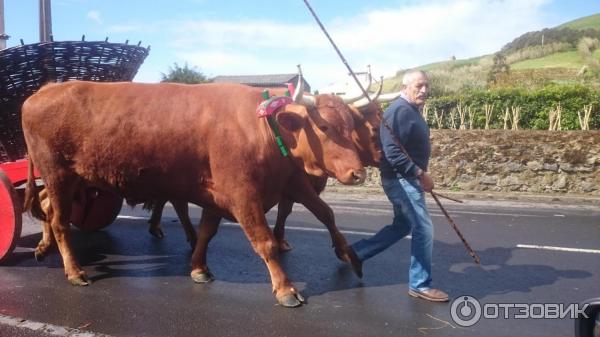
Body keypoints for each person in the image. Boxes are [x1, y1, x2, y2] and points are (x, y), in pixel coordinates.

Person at [348, 69, 448, 302]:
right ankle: (420, 284)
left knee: (403, 226)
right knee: (424, 229)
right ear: (405, 88)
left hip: (406, 178)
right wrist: (419, 173)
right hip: (400, 179)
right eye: (418, 86)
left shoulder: (410, 110)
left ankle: (358, 252)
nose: (424, 90)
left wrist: (418, 175)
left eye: (426, 86)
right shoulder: (400, 111)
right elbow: (392, 152)